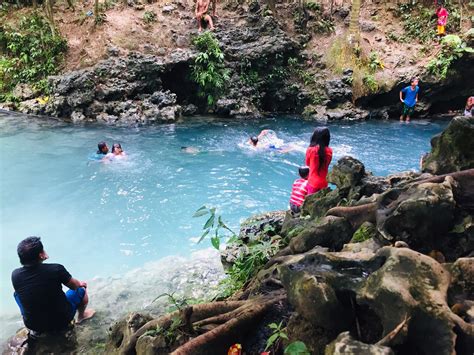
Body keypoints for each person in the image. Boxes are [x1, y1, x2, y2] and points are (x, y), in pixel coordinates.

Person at [11, 237, 95, 334]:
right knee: (81, 289)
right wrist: (80, 284)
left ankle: (30, 318)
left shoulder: (15, 275)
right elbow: (74, 286)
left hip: (33, 325)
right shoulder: (56, 269)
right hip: (62, 320)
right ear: (41, 254)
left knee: (17, 294)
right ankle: (82, 316)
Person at [305, 127, 333, 195]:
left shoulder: (311, 150)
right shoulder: (330, 151)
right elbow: (327, 164)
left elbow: (307, 163)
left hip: (313, 182)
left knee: (310, 203)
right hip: (324, 182)